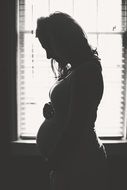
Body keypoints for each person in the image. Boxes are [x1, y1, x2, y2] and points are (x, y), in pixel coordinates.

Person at [36, 12, 109, 190]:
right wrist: (54, 111)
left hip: (81, 162)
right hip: (70, 160)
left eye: (49, 47)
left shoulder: (87, 71)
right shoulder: (74, 69)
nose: (47, 56)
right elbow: (72, 110)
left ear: (63, 41)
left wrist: (55, 159)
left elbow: (76, 126)